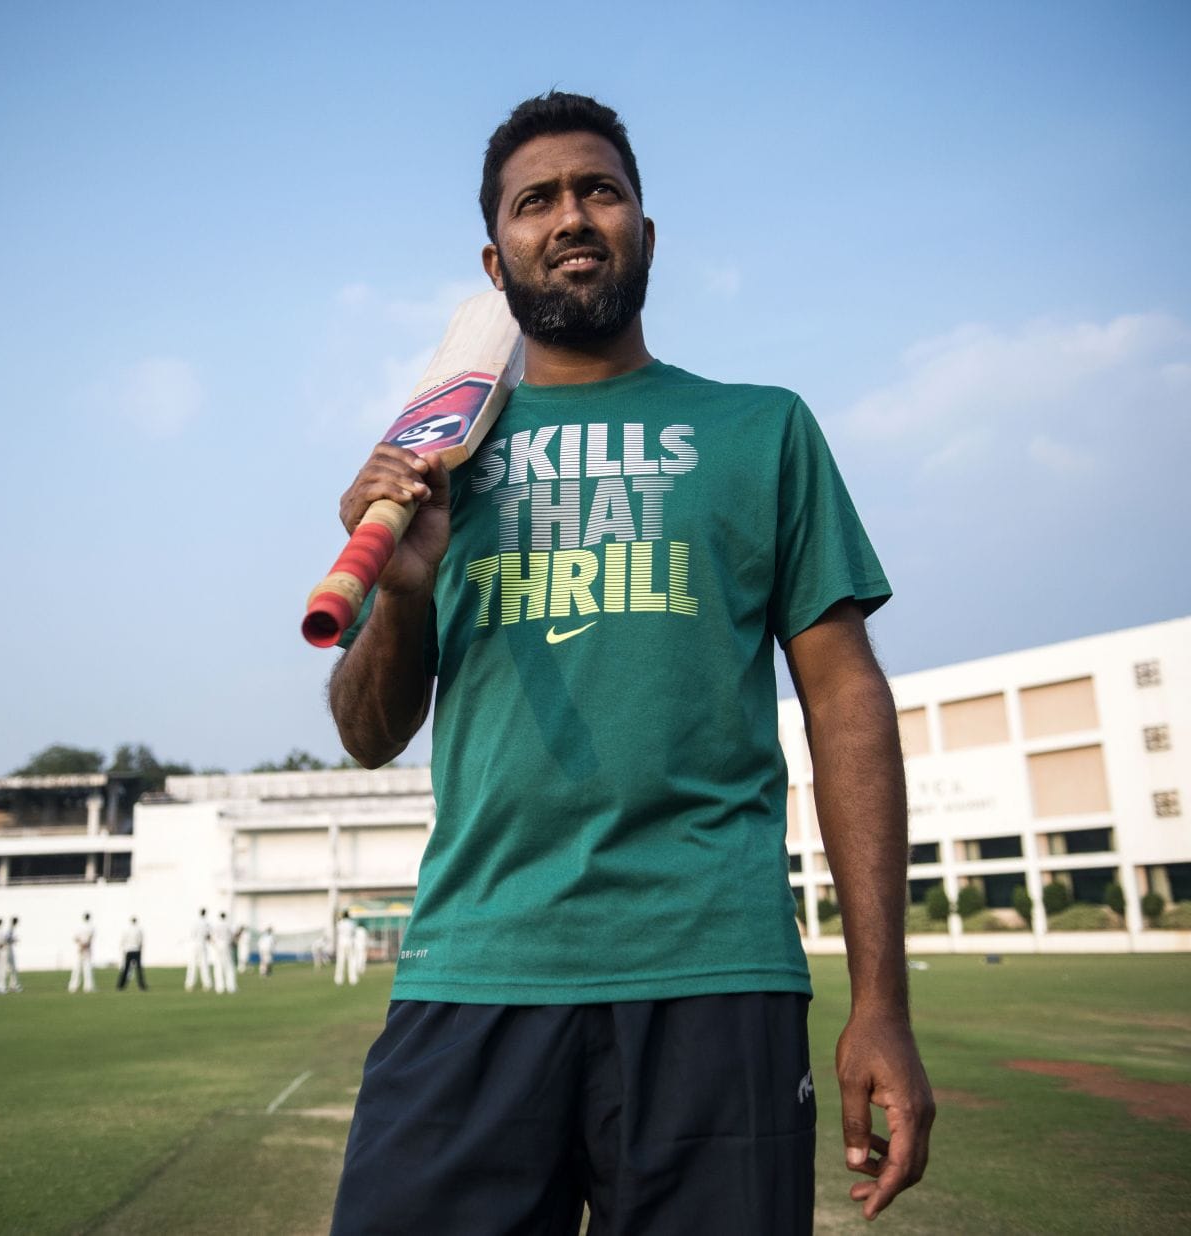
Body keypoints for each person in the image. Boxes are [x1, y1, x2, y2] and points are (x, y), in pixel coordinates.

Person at [326, 92, 933, 1232]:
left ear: (645, 232)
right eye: (535, 201)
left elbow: (847, 697)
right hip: (476, 964)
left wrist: (881, 1004)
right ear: (494, 261)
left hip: (712, 972)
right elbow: (366, 734)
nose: (570, 216)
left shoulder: (763, 429)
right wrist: (403, 592)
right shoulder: (436, 467)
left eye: (598, 190)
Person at [186, 908, 215, 992]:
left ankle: (189, 984)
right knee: (204, 965)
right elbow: (208, 935)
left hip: (194, 945)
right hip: (202, 944)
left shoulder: (195, 922)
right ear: (205, 913)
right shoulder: (206, 923)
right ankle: (207, 984)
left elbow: (191, 934)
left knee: (192, 964)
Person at [118, 915, 147, 991]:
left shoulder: (126, 930)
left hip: (128, 950)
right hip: (136, 950)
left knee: (126, 969)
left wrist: (123, 949)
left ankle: (121, 985)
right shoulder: (139, 930)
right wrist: (140, 949)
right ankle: (142, 986)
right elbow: (140, 941)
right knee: (139, 969)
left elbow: (123, 940)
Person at [211, 911, 237, 994]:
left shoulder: (216, 925)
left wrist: (215, 944)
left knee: (218, 966)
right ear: (225, 917)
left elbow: (212, 937)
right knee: (229, 966)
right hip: (226, 945)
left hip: (218, 946)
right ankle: (231, 987)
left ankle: (219, 988)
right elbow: (233, 935)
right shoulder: (228, 925)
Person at [70, 912, 96, 994]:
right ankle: (88, 987)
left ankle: (73, 987)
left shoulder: (79, 927)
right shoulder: (91, 927)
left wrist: (81, 945)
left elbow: (75, 938)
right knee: (87, 968)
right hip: (87, 949)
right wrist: (85, 945)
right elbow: (90, 938)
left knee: (77, 968)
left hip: (80, 949)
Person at [0, 915, 23, 993]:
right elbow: (6, 939)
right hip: (8, 950)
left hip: (8, 949)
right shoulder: (10, 929)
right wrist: (14, 940)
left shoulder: (11, 929)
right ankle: (9, 986)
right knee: (11, 968)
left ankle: (12, 986)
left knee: (12, 969)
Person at [334, 911, 356, 986]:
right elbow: (353, 932)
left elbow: (337, 931)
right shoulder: (351, 923)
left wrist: (339, 920)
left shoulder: (340, 923)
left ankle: (338, 980)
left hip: (341, 942)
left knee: (340, 961)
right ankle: (353, 979)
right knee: (351, 960)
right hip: (349, 941)